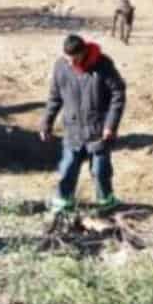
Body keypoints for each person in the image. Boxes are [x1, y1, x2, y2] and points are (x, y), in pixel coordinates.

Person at [40, 33, 127, 214]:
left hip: (99, 131)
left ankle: (106, 202)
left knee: (100, 171)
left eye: (75, 59)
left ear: (84, 52)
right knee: (67, 169)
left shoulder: (103, 65)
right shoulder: (61, 67)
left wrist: (110, 124)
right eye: (67, 59)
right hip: (73, 131)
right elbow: (55, 97)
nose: (71, 64)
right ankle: (64, 201)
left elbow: (118, 94)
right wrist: (46, 123)